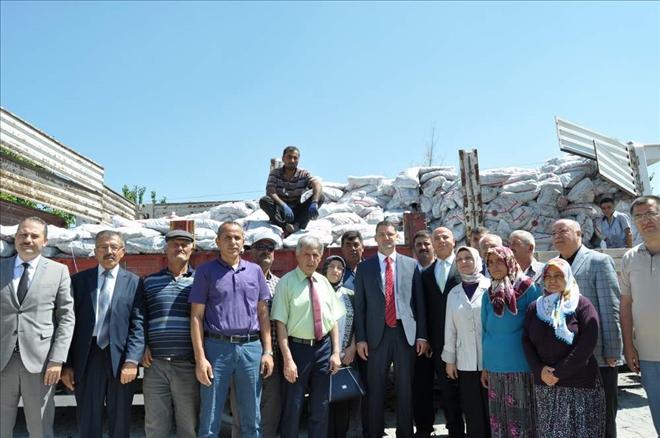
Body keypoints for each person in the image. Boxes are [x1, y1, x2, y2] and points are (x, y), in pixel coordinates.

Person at [188, 222, 274, 438]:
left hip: (250, 348)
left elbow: (263, 314)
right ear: (218, 241)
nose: (233, 242)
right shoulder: (205, 272)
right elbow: (196, 317)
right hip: (216, 348)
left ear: (244, 242)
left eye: (237, 237)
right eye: (227, 237)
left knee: (251, 417)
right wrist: (200, 359)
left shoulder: (255, 272)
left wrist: (267, 351)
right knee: (210, 417)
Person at [61, 230, 145, 438]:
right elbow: (68, 325)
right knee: (88, 415)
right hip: (88, 357)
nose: (109, 251)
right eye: (103, 247)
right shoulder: (79, 281)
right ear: (95, 252)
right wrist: (67, 364)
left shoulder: (134, 283)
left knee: (121, 416)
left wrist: (132, 361)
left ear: (122, 252)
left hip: (121, 358)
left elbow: (138, 324)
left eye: (114, 247)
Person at [0, 217, 75, 438]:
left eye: (34, 236)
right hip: (3, 362)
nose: (28, 239)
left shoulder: (58, 271)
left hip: (41, 365)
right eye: (23, 234)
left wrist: (57, 359)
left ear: (45, 241)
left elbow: (66, 318)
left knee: (40, 428)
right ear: (15, 238)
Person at [354, 220, 429, 438]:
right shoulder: (365, 267)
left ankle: (404, 432)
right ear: (376, 238)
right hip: (377, 336)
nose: (387, 238)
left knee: (405, 389)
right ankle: (374, 433)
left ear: (397, 237)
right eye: (382, 234)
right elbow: (360, 307)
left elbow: (419, 303)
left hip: (405, 334)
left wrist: (422, 335)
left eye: (390, 234)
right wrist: (361, 339)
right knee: (376, 389)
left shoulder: (410, 264)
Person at [552, 218, 622, 438]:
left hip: (597, 354)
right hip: (564, 356)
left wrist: (612, 351)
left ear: (579, 233)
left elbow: (610, 307)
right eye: (554, 233)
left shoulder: (598, 261)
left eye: (563, 231)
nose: (557, 236)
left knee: (602, 414)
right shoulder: (554, 267)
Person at [270, 235, 345, 438]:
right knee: (292, 406)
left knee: (320, 406)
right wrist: (288, 359)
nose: (311, 259)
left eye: (315, 255)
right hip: (297, 350)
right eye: (306, 254)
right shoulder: (286, 283)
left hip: (323, 349)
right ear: (297, 255)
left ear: (320, 257)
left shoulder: (324, 283)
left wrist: (336, 353)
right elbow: (280, 324)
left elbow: (333, 322)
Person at [522, 258, 605, 438]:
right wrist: (539, 370)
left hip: (579, 383)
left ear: (568, 276)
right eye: (548, 276)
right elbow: (526, 341)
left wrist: (559, 372)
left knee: (582, 432)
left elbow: (588, 343)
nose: (552, 280)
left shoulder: (581, 304)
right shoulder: (535, 307)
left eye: (558, 275)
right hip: (546, 384)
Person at [141, 229, 198, 438]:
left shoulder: (200, 281)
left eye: (185, 244)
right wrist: (143, 346)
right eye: (174, 244)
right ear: (165, 248)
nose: (180, 248)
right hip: (155, 365)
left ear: (193, 249)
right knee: (156, 425)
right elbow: (140, 319)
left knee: (189, 425)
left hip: (187, 364)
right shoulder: (149, 282)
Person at [481, 246, 542, 438]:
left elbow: (538, 327)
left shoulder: (528, 288)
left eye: (499, 261)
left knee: (521, 418)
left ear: (509, 262)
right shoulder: (488, 293)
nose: (494, 266)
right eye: (490, 263)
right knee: (499, 418)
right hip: (494, 366)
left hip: (521, 366)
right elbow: (485, 330)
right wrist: (485, 366)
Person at [230, 230, 283, 438]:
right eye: (260, 247)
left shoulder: (280, 284)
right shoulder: (239, 278)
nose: (265, 252)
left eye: (270, 248)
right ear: (250, 251)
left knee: (270, 409)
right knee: (242, 408)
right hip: (244, 352)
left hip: (273, 354)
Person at [620, 195, 660, 434]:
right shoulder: (630, 258)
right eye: (639, 216)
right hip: (648, 355)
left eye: (651, 213)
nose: (646, 220)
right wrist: (629, 345)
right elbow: (626, 304)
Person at [442, 246, 491, 438]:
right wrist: (450, 360)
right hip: (465, 361)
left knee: (490, 406)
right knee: (472, 409)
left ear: (477, 260)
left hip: (490, 359)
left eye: (468, 258)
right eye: (459, 259)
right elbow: (450, 329)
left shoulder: (490, 287)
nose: (463, 262)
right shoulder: (453, 293)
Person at [421, 226, 465, 438]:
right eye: (436, 238)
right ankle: (455, 431)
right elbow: (425, 310)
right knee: (447, 391)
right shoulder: (427, 274)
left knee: (470, 391)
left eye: (445, 237)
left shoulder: (465, 267)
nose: (441, 241)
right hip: (440, 343)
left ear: (453, 241)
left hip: (466, 341)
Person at [322, 255, 357, 438]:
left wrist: (351, 348)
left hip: (346, 356)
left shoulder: (349, 294)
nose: (336, 271)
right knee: (323, 402)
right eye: (332, 267)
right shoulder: (317, 292)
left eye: (340, 268)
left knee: (342, 400)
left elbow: (359, 322)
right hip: (322, 356)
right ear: (324, 269)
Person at [259, 146, 325, 235]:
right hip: (282, 210)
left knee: (320, 196)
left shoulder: (303, 173)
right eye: (289, 157)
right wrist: (284, 205)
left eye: (295, 158)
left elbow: (317, 185)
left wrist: (314, 202)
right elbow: (270, 191)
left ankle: (297, 225)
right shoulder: (275, 173)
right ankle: (285, 226)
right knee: (264, 201)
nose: (292, 160)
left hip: (297, 210)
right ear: (283, 159)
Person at [410, 230, 436, 438]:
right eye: (418, 244)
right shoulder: (410, 272)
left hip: (444, 339)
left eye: (426, 243)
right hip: (419, 341)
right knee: (421, 385)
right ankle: (424, 427)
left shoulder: (442, 270)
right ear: (413, 249)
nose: (423, 247)